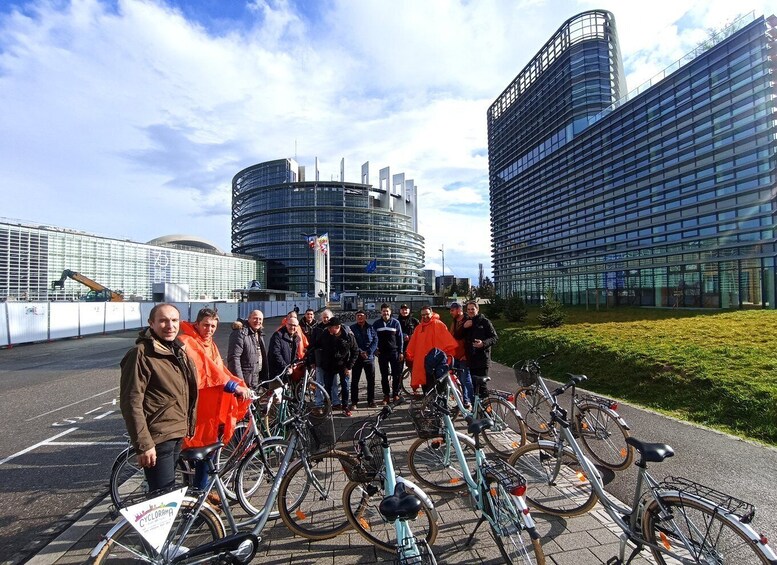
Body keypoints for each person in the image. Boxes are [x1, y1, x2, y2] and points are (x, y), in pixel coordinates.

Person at [119, 303, 198, 492]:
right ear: (151, 324)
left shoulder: (176, 350)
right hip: (159, 437)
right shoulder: (141, 354)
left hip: (177, 432)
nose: (170, 325)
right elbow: (131, 402)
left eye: (174, 320)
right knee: (162, 501)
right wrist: (144, 445)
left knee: (166, 496)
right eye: (162, 321)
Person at [178, 308, 251, 495]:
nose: (209, 329)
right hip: (198, 407)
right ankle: (199, 493)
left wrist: (238, 383)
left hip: (210, 407)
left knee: (208, 449)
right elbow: (206, 372)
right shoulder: (188, 342)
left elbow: (220, 370)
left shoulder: (209, 343)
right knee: (202, 449)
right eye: (206, 325)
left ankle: (203, 491)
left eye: (213, 326)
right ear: (197, 323)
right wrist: (234, 387)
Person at [405, 305, 457, 394]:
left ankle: (439, 404)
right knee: (425, 383)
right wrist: (409, 354)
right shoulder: (419, 328)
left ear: (432, 313)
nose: (425, 317)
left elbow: (448, 342)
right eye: (422, 315)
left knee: (438, 386)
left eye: (427, 314)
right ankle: (428, 403)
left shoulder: (439, 325)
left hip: (437, 362)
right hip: (424, 362)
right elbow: (413, 344)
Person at [318, 317, 359, 416]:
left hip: (343, 365)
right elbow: (318, 345)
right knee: (327, 386)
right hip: (329, 364)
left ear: (337, 327)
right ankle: (327, 406)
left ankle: (345, 407)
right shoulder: (325, 334)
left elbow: (355, 351)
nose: (328, 329)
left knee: (345, 386)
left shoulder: (348, 336)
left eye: (330, 328)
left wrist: (349, 366)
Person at [462, 301, 498, 398]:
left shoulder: (484, 322)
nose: (470, 311)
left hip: (482, 359)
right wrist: (463, 327)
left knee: (482, 387)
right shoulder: (466, 322)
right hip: (471, 359)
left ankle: (487, 410)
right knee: (474, 387)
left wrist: (483, 344)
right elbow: (458, 336)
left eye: (472, 309)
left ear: (477, 309)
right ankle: (477, 410)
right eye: (468, 309)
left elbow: (494, 338)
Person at [227, 309, 268, 389]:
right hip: (245, 382)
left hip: (255, 380)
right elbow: (234, 359)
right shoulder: (240, 333)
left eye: (260, 319)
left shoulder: (258, 333)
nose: (258, 321)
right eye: (255, 318)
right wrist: (240, 383)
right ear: (249, 319)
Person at [373, 303, 404, 403]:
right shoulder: (376, 324)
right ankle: (386, 395)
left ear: (390, 312)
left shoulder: (395, 323)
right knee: (384, 375)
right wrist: (375, 350)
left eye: (387, 311)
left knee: (396, 375)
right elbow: (372, 338)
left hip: (394, 352)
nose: (385, 313)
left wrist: (401, 352)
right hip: (382, 353)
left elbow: (400, 338)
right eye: (383, 311)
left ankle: (395, 394)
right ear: (381, 312)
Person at [448, 302, 475, 409]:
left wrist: (467, 354)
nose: (451, 313)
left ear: (459, 310)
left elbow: (471, 338)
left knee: (466, 380)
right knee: (460, 380)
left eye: (452, 310)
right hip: (456, 356)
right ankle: (465, 401)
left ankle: (472, 403)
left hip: (464, 356)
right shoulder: (454, 321)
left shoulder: (468, 321)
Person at [350, 310, 378, 409]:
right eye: (358, 316)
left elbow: (375, 340)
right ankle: (354, 402)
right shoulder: (352, 328)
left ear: (365, 317)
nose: (360, 318)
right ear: (355, 317)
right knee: (355, 381)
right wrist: (361, 352)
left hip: (369, 358)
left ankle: (371, 400)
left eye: (362, 316)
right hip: (357, 358)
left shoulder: (371, 328)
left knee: (371, 381)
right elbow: (352, 343)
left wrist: (369, 352)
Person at [397, 303, 420, 393]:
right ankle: (397, 389)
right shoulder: (396, 321)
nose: (404, 311)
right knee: (398, 369)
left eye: (406, 309)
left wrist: (411, 337)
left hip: (412, 349)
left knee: (413, 370)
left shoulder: (415, 321)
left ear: (409, 310)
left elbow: (420, 333)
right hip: (401, 348)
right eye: (402, 309)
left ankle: (415, 388)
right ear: (400, 311)